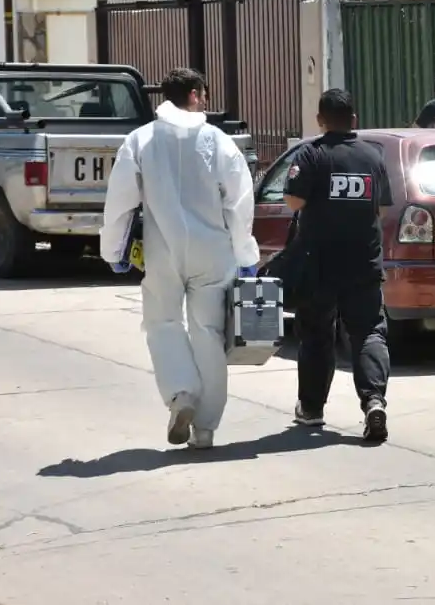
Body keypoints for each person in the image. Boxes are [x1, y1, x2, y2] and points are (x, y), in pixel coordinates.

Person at [100, 68, 259, 451]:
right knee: (208, 333)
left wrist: (114, 250)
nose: (205, 100)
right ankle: (205, 429)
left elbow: (120, 200)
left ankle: (181, 394)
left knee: (163, 324)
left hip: (163, 250)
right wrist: (246, 253)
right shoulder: (218, 141)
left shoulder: (140, 140)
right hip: (213, 251)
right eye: (202, 94)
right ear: (193, 94)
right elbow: (239, 200)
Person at [283, 88, 393, 443]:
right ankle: (374, 400)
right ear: (354, 120)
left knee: (316, 334)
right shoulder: (372, 156)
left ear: (320, 121)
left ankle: (312, 409)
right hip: (364, 260)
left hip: (319, 264)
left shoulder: (311, 154)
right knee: (368, 332)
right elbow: (382, 209)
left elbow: (293, 200)